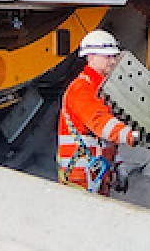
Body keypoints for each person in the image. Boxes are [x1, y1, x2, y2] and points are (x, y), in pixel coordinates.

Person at [58, 29, 140, 195]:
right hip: (80, 179)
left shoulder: (102, 90)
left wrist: (118, 165)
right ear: (91, 57)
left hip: (96, 175)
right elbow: (100, 123)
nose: (112, 61)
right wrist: (129, 135)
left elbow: (104, 140)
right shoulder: (81, 89)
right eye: (107, 56)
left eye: (114, 56)